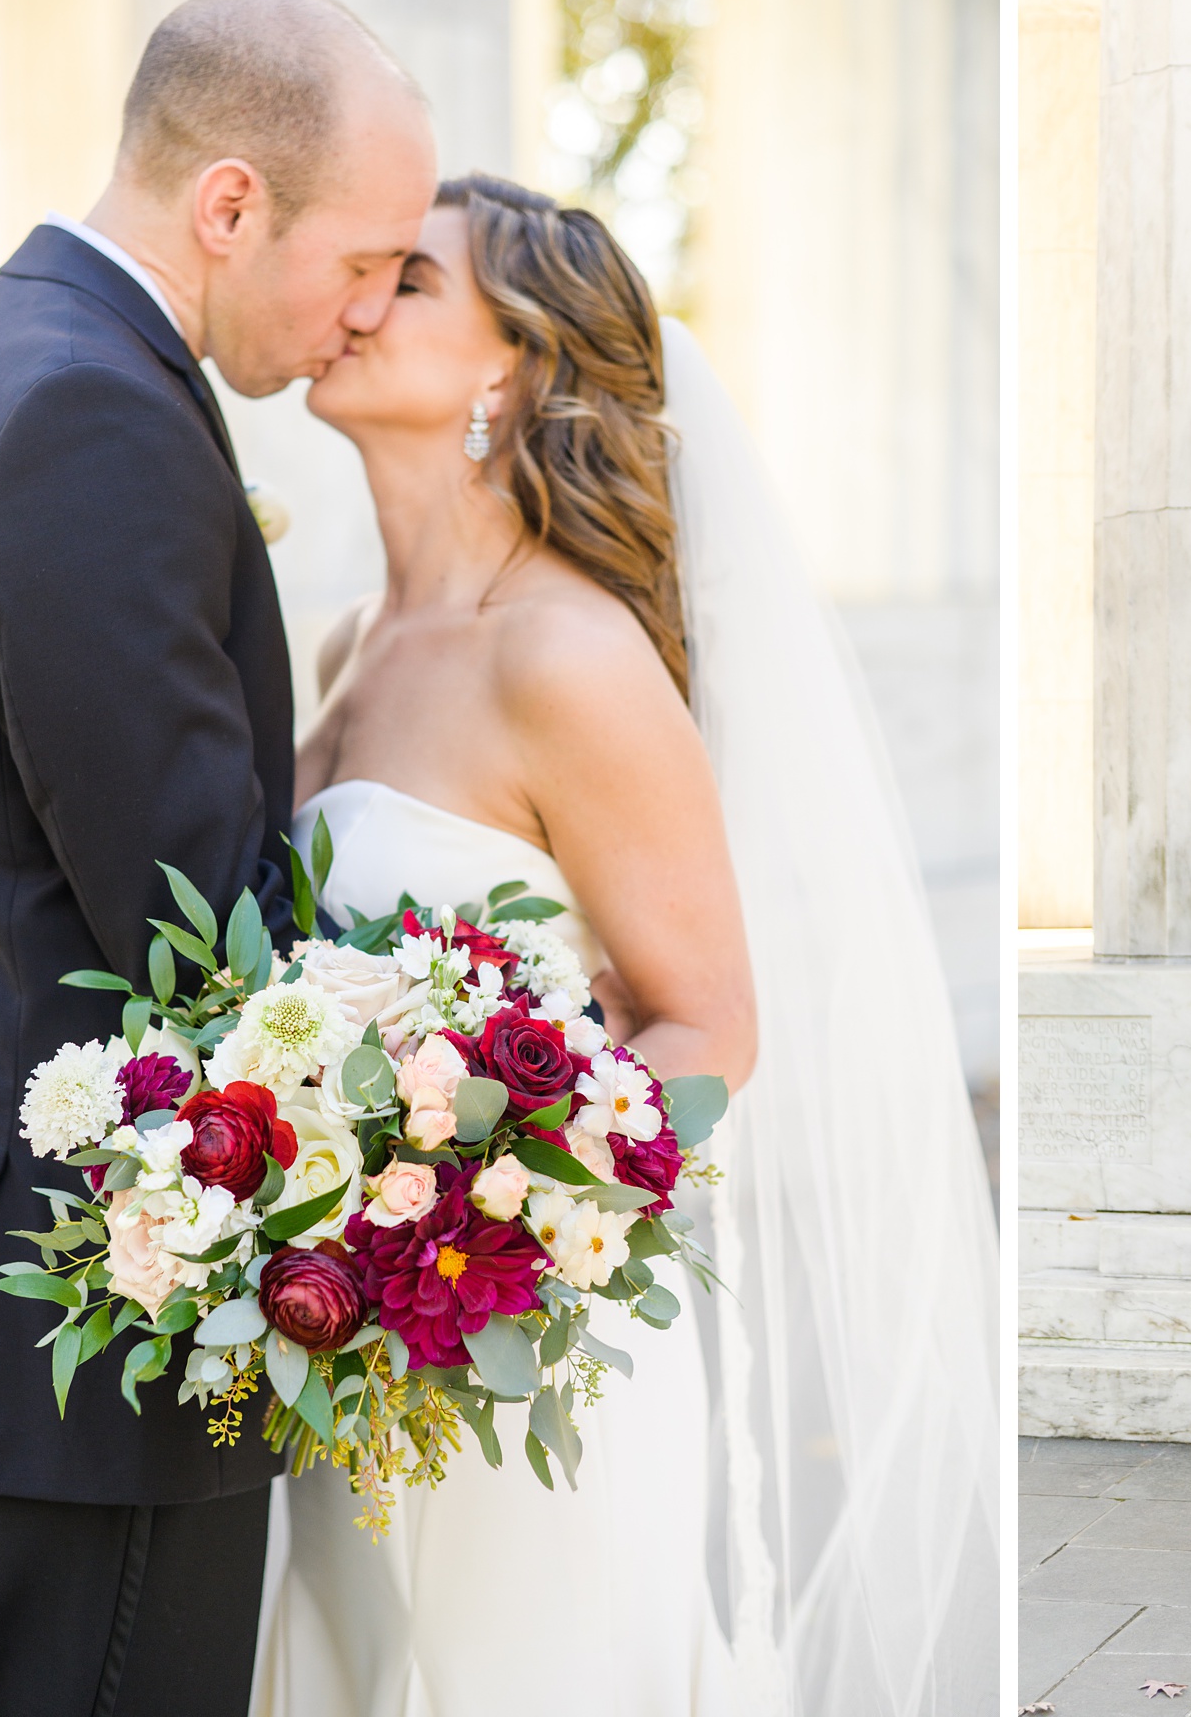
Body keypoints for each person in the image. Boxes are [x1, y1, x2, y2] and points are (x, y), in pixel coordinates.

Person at [252, 174, 998, 1715]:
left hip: (507, 1359)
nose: (358, 297)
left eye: (411, 280)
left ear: (508, 367)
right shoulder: (347, 643)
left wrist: (454, 1226)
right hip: (348, 1350)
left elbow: (709, 1024)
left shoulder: (566, 651)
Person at [0, 0, 435, 1717]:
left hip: (18, 1286)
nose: (371, 310)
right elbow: (199, 932)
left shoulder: (17, 347)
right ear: (231, 202)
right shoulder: (89, 415)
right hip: (96, 1315)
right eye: (366, 259)